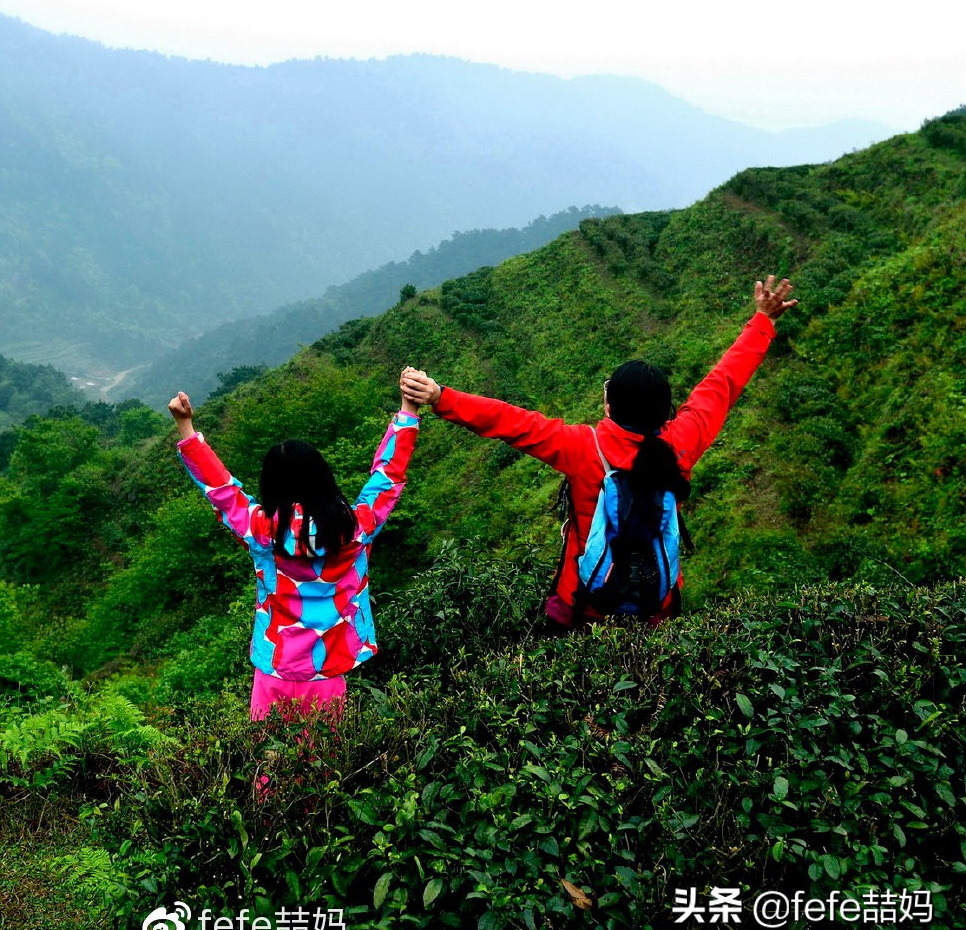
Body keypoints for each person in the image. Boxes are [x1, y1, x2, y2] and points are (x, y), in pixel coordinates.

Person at [399, 275, 798, 631]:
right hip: (657, 607)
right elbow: (722, 382)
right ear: (666, 411)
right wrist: (762, 321)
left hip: (585, 605)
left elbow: (510, 421)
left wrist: (440, 397)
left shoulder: (582, 447)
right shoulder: (684, 441)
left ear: (610, 407)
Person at [169, 388, 419, 721]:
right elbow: (388, 478)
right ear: (323, 479)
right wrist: (408, 410)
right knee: (326, 764)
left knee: (267, 763)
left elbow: (222, 491)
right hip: (328, 671)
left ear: (271, 485)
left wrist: (185, 426)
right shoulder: (355, 528)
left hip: (274, 669)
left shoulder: (261, 531)